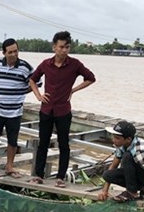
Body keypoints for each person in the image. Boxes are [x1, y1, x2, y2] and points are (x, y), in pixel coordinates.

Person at [29, 31, 96, 187]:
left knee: (63, 144)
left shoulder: (74, 64)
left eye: (67, 47)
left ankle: (60, 177)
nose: (64, 50)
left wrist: (73, 90)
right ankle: (38, 175)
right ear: (54, 47)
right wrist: (38, 95)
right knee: (43, 143)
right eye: (61, 47)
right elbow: (32, 79)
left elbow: (91, 78)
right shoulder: (46, 64)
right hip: (46, 109)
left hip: (63, 110)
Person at [0, 38, 35, 177]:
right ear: (4, 53)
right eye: (10, 52)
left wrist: (21, 92)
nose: (13, 54)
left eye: (16, 51)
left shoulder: (25, 67)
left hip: (15, 111)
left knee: (13, 140)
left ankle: (9, 166)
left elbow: (36, 82)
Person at [98, 121, 144, 212]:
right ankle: (137, 189)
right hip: (140, 175)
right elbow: (113, 166)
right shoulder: (121, 146)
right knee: (107, 175)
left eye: (117, 138)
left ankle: (132, 192)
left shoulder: (139, 151)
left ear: (128, 139)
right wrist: (104, 190)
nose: (113, 140)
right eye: (113, 136)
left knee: (127, 156)